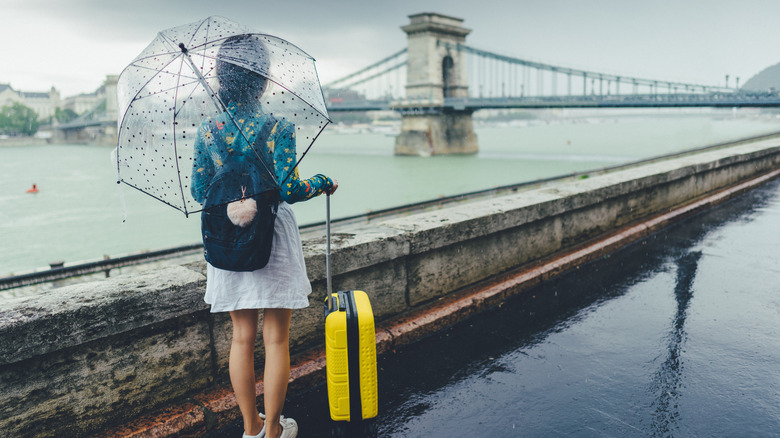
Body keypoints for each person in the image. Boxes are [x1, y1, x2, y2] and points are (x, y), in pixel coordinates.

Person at [191, 35, 336, 438]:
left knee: (241, 338)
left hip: (228, 237)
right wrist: (323, 181)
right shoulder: (278, 127)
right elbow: (290, 190)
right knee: (276, 339)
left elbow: (200, 193)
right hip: (272, 233)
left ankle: (249, 428)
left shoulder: (207, 130)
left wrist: (233, 186)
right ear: (263, 79)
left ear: (221, 78)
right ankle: (274, 430)